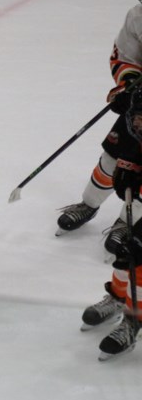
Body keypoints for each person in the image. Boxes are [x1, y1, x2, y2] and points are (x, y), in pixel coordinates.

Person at [55, 0, 142, 253]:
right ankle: (89, 204)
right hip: (140, 111)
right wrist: (129, 86)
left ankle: (127, 223)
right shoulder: (138, 16)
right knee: (112, 159)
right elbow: (125, 58)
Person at [80, 87, 142, 360]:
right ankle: (119, 298)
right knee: (128, 250)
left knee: (140, 255)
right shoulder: (134, 123)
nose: (138, 123)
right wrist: (131, 168)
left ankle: (134, 317)